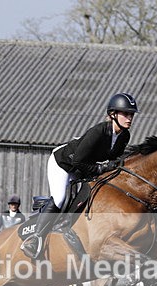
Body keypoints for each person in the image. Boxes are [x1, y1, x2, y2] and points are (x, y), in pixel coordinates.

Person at [21, 92, 138, 259]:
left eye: (131, 114)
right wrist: (101, 169)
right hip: (63, 163)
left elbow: (114, 160)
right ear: (113, 114)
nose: (129, 118)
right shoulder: (98, 132)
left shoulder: (124, 136)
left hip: (84, 167)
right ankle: (35, 238)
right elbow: (78, 161)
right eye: (126, 114)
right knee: (61, 198)